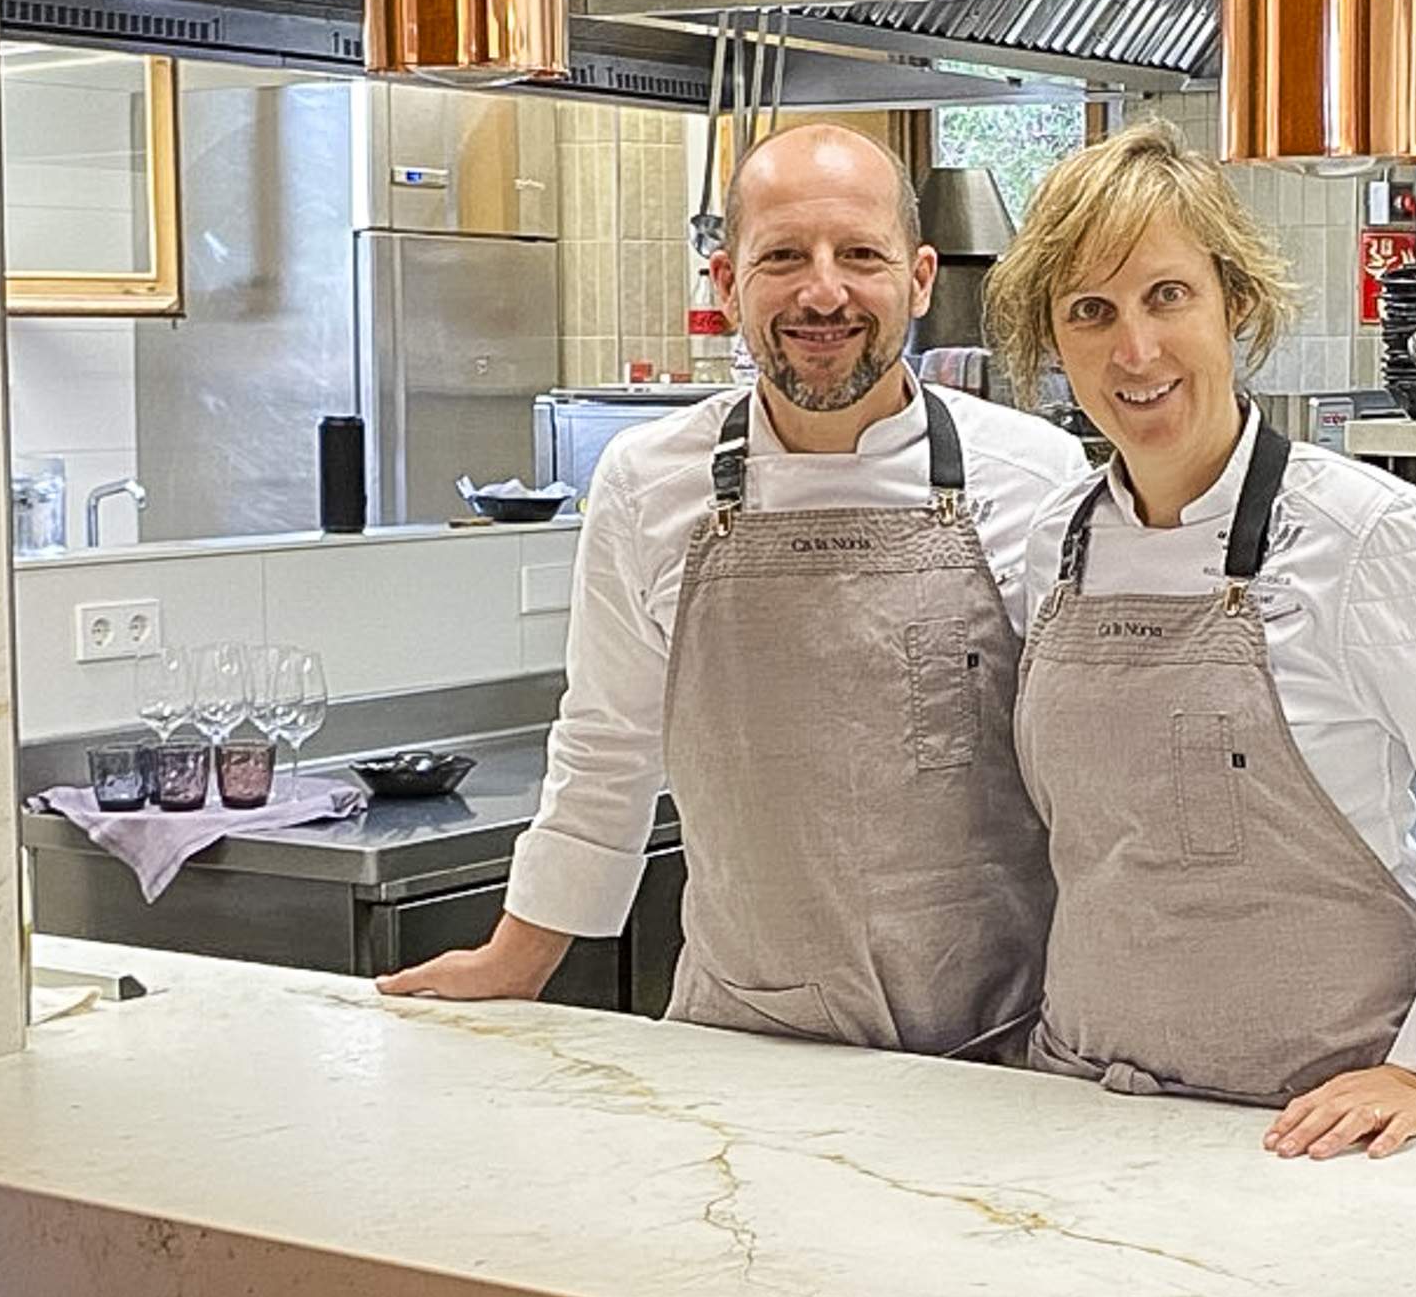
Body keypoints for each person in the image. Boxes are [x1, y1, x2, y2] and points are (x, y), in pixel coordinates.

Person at [381, 124, 1087, 1059]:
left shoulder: (1036, 476)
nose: (822, 291)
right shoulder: (646, 482)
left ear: (918, 279)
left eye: (859, 256)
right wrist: (519, 958)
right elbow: (607, 747)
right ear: (726, 283)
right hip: (744, 1047)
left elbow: (1099, 771)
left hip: (1000, 1050)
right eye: (783, 256)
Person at [982, 120, 1416, 1158]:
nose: (1135, 352)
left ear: (1236, 303)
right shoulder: (1055, 547)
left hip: (1316, 1130)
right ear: (1054, 343)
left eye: (1166, 297)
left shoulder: (1371, 538)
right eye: (1092, 312)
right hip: (1086, 1109)